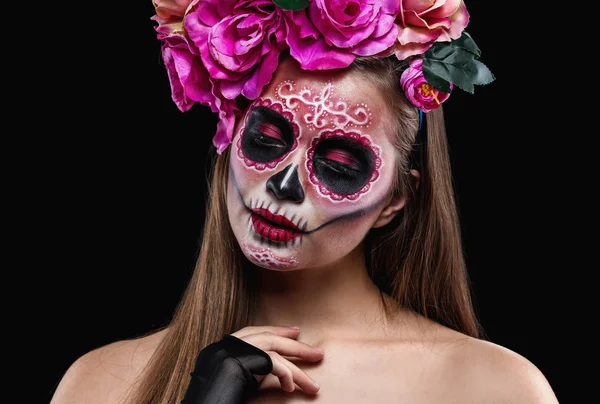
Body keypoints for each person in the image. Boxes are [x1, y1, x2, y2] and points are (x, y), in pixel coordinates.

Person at [51, 1, 559, 403]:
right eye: (268, 140)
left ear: (397, 199)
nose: (284, 184)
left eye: (339, 166)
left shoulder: (492, 389)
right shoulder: (100, 384)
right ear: (228, 140)